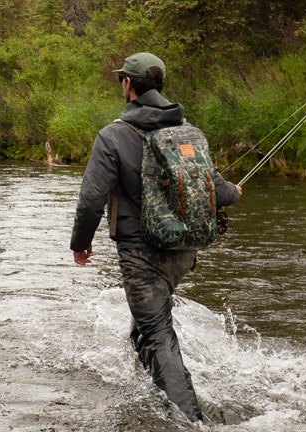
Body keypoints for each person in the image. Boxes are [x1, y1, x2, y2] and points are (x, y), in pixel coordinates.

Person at [69, 52, 242, 423]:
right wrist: (236, 193)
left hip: (140, 254)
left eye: (121, 80)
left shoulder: (112, 135)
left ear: (128, 84)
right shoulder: (187, 131)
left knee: (158, 333)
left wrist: (80, 244)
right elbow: (217, 189)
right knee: (148, 326)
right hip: (183, 251)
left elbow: (90, 201)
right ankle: (151, 396)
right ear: (159, 85)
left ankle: (190, 421)